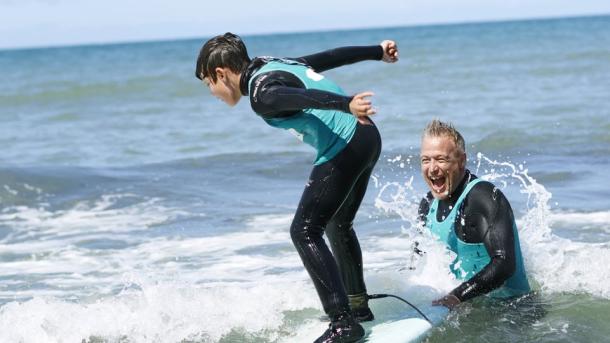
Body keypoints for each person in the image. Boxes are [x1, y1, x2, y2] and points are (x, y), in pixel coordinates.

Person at [195, 32, 398, 342]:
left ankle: (343, 324)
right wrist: (376, 51)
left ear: (221, 74)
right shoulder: (272, 64)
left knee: (303, 230)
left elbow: (297, 98)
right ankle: (357, 307)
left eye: (208, 84)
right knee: (338, 224)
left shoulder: (262, 95)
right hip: (367, 137)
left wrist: (345, 104)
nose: (212, 92)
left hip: (344, 143)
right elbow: (329, 57)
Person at [417, 119, 530, 309]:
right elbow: (419, 263)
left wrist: (456, 296)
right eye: (426, 160)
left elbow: (504, 264)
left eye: (441, 159)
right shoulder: (427, 204)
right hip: (466, 306)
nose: (432, 168)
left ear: (462, 161)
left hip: (513, 309)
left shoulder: (483, 198)